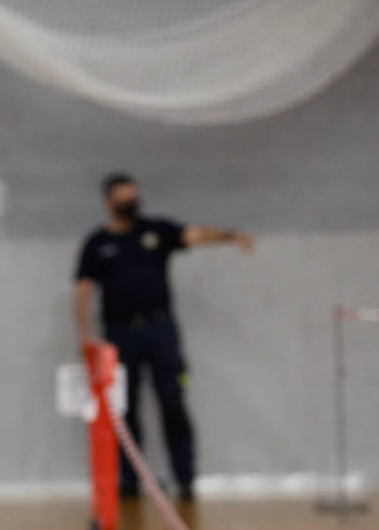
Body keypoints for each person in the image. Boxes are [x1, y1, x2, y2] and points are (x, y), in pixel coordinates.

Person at [74, 172, 255, 501]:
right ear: (108, 202)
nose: (131, 202)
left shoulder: (156, 231)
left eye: (134, 196)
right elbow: (83, 291)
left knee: (173, 400)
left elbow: (196, 234)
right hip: (119, 333)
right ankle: (130, 481)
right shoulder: (97, 243)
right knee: (123, 409)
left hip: (160, 330)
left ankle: (185, 477)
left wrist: (232, 235)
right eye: (123, 197)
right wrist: (86, 336)